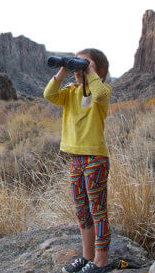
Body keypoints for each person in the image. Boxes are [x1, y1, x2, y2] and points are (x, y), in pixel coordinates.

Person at [43, 48, 113, 273]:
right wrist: (64, 70)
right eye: (77, 64)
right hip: (76, 159)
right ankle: (87, 257)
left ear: (99, 70)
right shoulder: (71, 93)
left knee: (97, 209)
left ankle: (101, 261)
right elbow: (49, 95)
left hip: (95, 158)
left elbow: (100, 95)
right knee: (82, 210)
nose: (79, 68)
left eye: (85, 64)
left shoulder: (101, 91)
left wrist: (90, 71)